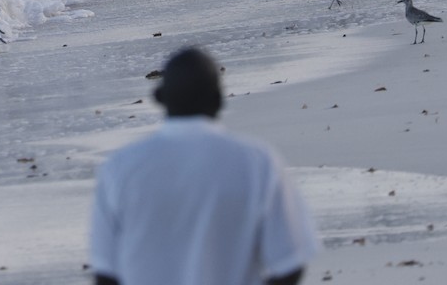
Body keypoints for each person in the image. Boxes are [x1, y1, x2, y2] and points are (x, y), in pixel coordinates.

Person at [88, 46, 318, 285]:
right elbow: (290, 265)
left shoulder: (120, 167)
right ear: (218, 99)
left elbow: (105, 274)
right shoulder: (258, 163)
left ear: (160, 98)